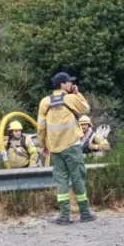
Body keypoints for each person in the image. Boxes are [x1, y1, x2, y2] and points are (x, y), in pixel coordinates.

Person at [37, 72, 94, 224]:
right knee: (78, 178)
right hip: (72, 146)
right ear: (62, 84)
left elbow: (41, 127)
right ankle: (84, 212)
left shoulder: (44, 102)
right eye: (69, 82)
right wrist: (78, 93)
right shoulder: (70, 98)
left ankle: (64, 216)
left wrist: (43, 145)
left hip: (55, 148)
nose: (71, 84)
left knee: (61, 180)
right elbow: (86, 109)